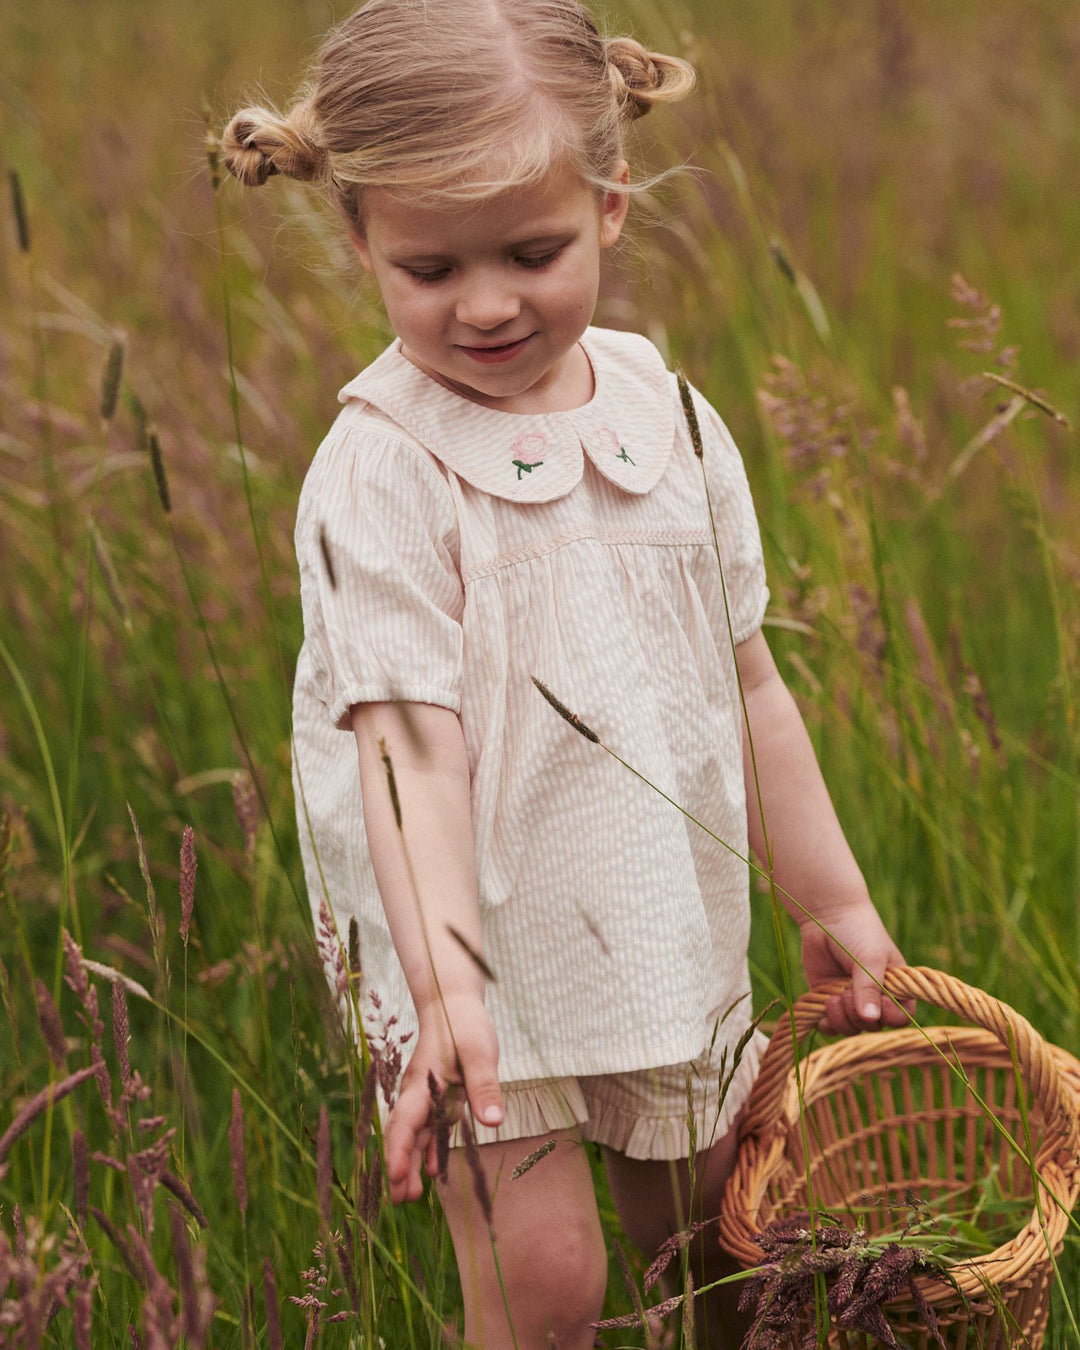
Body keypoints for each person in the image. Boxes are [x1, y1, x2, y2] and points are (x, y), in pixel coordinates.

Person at [222, 2, 909, 1346]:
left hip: (656, 903)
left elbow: (749, 683)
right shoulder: (383, 470)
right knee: (547, 1284)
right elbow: (404, 746)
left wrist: (829, 893)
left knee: (718, 1250)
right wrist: (445, 988)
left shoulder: (674, 419)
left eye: (530, 252)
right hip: (469, 939)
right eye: (430, 269)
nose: (485, 303)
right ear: (360, 239)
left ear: (609, 203)